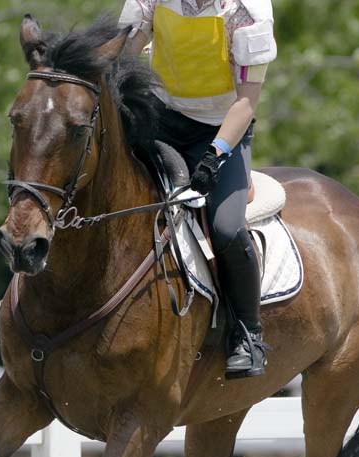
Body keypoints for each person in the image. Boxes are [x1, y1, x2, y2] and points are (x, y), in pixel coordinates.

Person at [118, 0, 276, 379]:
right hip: (160, 118)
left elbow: (246, 101)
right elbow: (119, 60)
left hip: (221, 129)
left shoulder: (247, 12)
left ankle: (247, 335)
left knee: (226, 229)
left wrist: (215, 156)